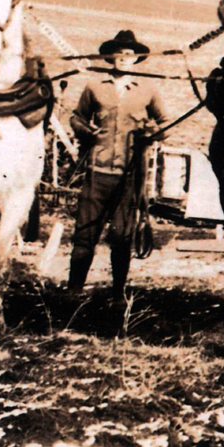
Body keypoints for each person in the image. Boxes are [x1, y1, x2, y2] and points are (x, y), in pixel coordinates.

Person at [68, 30, 170, 301]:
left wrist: (152, 132)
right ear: (110, 56)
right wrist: (86, 131)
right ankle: (73, 292)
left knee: (122, 237)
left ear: (136, 58)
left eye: (129, 53)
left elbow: (166, 124)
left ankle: (117, 295)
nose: (124, 57)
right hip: (97, 172)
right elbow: (77, 118)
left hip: (130, 176)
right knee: (84, 235)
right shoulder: (94, 86)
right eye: (119, 53)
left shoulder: (148, 89)